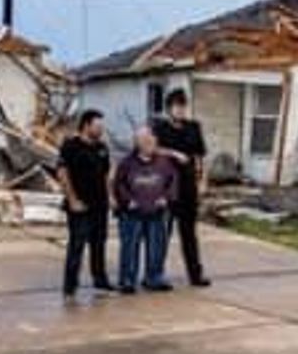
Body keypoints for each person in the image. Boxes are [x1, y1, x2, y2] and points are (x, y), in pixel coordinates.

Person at [152, 89, 211, 287]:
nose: (180, 110)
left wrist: (202, 182)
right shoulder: (160, 128)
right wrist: (174, 153)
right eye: (177, 106)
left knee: (189, 233)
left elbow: (200, 156)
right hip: (166, 186)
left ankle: (195, 274)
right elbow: (152, 149)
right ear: (169, 108)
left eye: (183, 106)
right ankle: (155, 274)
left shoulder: (194, 127)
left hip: (188, 186)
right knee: (163, 233)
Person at [111, 125, 181, 293]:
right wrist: (128, 201)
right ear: (137, 143)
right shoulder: (127, 163)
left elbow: (173, 181)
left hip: (157, 213)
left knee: (157, 247)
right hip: (132, 213)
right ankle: (127, 280)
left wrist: (166, 197)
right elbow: (118, 184)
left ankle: (154, 278)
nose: (148, 142)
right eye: (144, 140)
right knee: (130, 247)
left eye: (151, 139)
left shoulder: (164, 162)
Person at [56, 109, 115, 298]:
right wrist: (72, 200)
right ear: (86, 126)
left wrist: (110, 197)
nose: (101, 130)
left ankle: (100, 279)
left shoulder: (102, 148)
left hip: (100, 205)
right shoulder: (71, 146)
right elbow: (62, 173)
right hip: (79, 205)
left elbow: (106, 175)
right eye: (97, 126)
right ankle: (70, 285)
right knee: (77, 245)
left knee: (99, 244)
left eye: (102, 127)